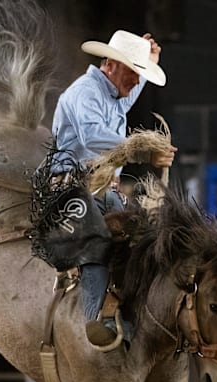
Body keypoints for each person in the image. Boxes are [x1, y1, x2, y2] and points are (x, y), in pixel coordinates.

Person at [40, 30, 177, 349]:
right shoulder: (87, 93)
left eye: (138, 74)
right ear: (112, 64)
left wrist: (148, 61)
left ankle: (129, 308)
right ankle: (95, 319)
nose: (135, 81)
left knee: (143, 234)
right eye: (133, 71)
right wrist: (144, 151)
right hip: (70, 187)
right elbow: (92, 138)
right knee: (98, 237)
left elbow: (130, 89)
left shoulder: (114, 89)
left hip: (99, 188)